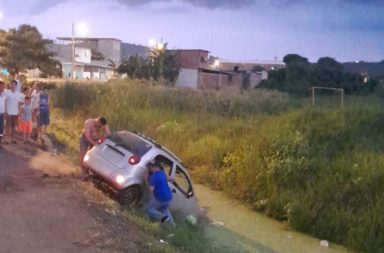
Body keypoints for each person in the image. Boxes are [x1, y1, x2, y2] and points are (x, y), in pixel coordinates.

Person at [144, 160, 175, 225]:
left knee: (147, 209)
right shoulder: (162, 173)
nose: (149, 169)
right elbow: (171, 179)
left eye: (150, 167)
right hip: (169, 197)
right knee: (164, 209)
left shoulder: (153, 177)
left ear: (154, 167)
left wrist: (146, 179)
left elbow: (151, 190)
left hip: (161, 198)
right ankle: (172, 225)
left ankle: (163, 218)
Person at [0, 81, 5, 147]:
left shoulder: (3, 94)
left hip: (2, 114)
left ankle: (0, 142)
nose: (2, 87)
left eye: (3, 86)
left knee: (1, 129)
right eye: (1, 86)